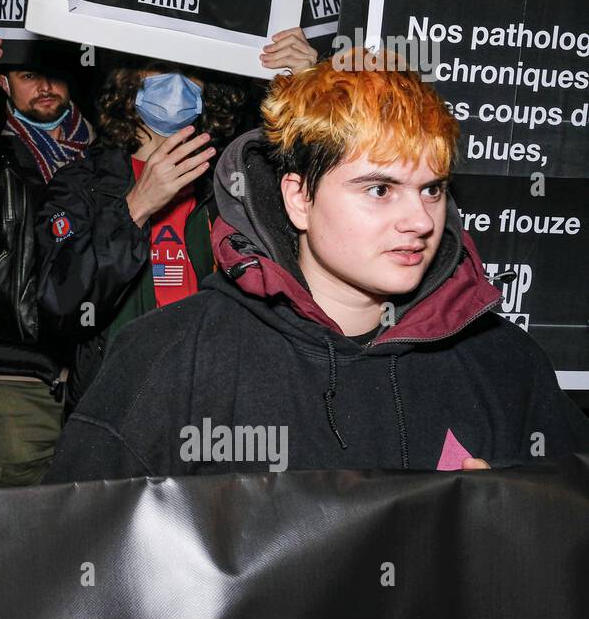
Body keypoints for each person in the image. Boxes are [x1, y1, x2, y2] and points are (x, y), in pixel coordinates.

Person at [46, 50, 589, 481]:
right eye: (379, 189)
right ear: (298, 198)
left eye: (432, 189)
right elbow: (78, 568)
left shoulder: (503, 362)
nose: (419, 221)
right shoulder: (170, 360)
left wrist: (522, 521)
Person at [35, 29, 314, 414]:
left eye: (192, 69)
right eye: (159, 67)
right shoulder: (83, 184)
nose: (176, 82)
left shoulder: (231, 178)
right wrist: (135, 208)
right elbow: (59, 302)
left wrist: (308, 87)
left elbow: (321, 183)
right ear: (128, 79)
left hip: (213, 400)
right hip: (120, 405)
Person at [0, 37, 95, 487]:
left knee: (93, 512)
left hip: (92, 368)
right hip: (14, 372)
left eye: (53, 74)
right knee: (19, 522)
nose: (43, 86)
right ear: (4, 83)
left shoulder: (104, 151)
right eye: (27, 75)